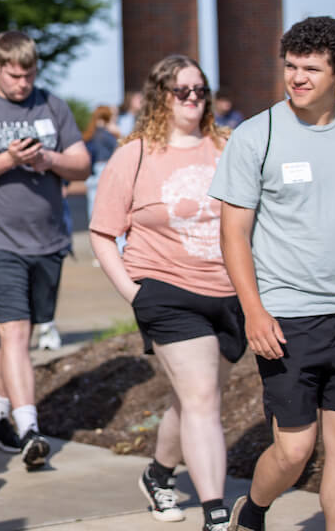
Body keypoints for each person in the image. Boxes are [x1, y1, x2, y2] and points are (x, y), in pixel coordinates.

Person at [89, 54, 238, 531]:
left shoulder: (228, 146)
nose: (193, 99)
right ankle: (215, 513)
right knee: (200, 396)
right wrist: (134, 294)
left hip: (229, 292)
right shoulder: (135, 154)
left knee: (195, 397)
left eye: (200, 90)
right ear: (161, 96)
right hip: (165, 290)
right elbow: (102, 232)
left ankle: (158, 474)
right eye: (182, 91)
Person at [209, 16, 335, 531]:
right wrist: (255, 312)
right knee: (294, 451)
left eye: (311, 68)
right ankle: (254, 511)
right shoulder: (255, 136)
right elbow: (233, 235)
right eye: (291, 66)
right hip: (288, 315)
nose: (298, 77)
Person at [0, 31, 90, 469]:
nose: (22, 83)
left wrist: (47, 160)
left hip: (46, 240)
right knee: (16, 332)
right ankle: (30, 429)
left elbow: (82, 163)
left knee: (20, 334)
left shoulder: (52, 105)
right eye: (14, 75)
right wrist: (9, 158)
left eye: (29, 75)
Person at [83, 104, 121, 219]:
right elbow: (120, 151)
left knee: (94, 206)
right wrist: (117, 134)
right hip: (106, 168)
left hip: (94, 171)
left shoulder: (91, 133)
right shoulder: (107, 134)